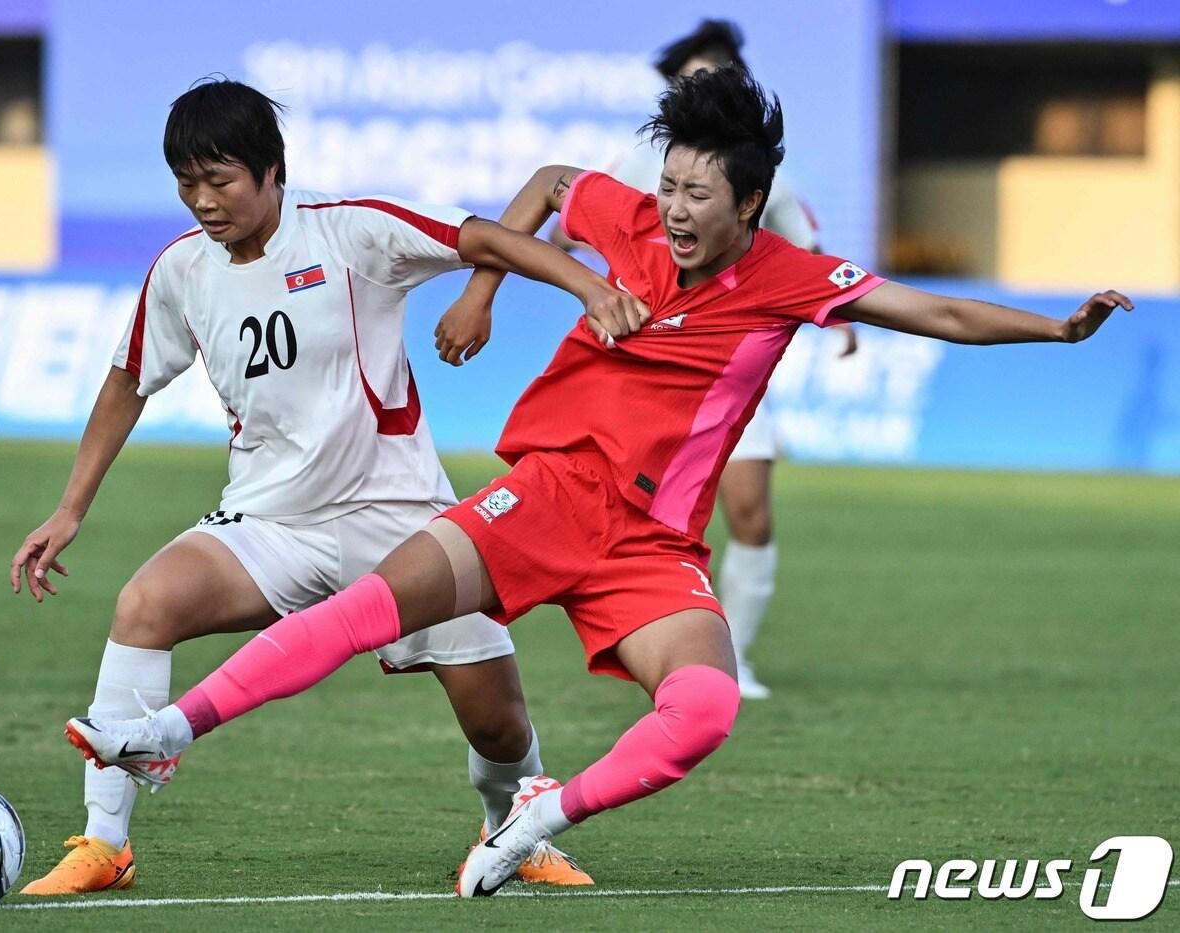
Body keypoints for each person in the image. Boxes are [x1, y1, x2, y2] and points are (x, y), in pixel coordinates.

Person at [67, 68, 1132, 897]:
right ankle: (168, 732)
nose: (672, 210)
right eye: (667, 187)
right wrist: (483, 292)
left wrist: (1057, 330)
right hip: (551, 494)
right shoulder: (627, 222)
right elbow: (547, 184)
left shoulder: (791, 280)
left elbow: (936, 311)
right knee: (371, 607)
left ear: (751, 202)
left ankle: (532, 820)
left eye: (697, 194)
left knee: (704, 707)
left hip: (652, 542)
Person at [10, 78, 618, 894]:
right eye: (186, 183)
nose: (203, 201)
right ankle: (104, 843)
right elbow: (128, 379)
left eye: (219, 180)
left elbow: (484, 238)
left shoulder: (351, 231)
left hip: (402, 520)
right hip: (269, 521)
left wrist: (584, 287)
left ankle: (514, 829)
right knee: (146, 604)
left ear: (272, 171)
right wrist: (69, 508)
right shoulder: (182, 270)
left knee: (498, 722)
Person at [503, 19, 845, 699]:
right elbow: (573, 226)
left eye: (712, 77)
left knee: (751, 512)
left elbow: (809, 259)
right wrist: (590, 283)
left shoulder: (760, 180)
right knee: (621, 513)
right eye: (689, 80)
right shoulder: (644, 166)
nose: (678, 205)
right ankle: (659, 636)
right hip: (643, 373)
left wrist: (843, 323)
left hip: (729, 371)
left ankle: (731, 656)